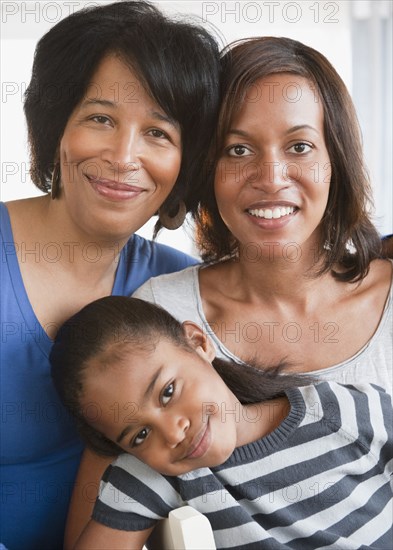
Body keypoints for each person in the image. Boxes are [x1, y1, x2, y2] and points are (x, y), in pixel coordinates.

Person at [0, 2, 220, 547]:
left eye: (158, 133)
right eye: (100, 118)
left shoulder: (182, 292)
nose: (124, 157)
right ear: (56, 129)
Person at [135, 36, 392, 391]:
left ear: (336, 161)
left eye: (299, 147)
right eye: (238, 150)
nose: (271, 179)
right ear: (208, 170)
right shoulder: (162, 313)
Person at [50, 295, 393, 549]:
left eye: (167, 392)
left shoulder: (344, 409)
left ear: (199, 344)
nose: (172, 433)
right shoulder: (159, 477)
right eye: (139, 435)